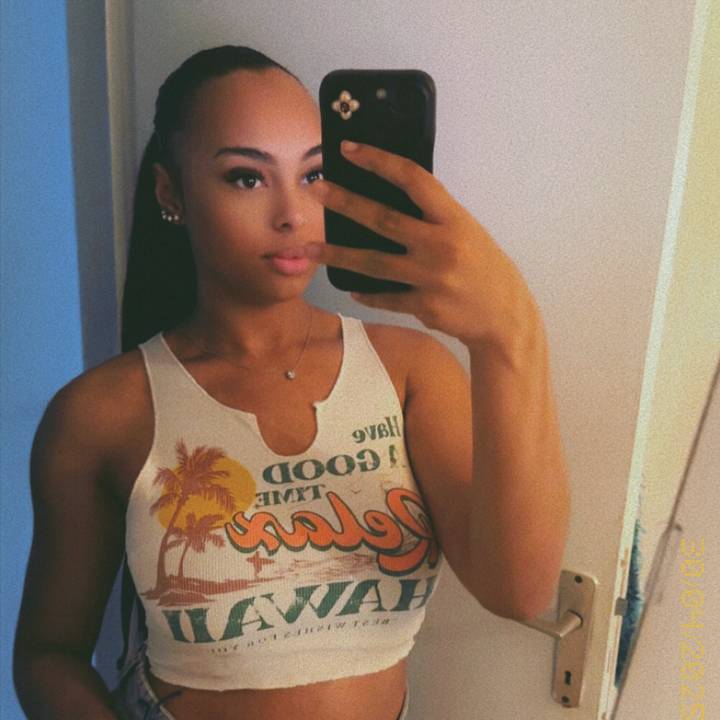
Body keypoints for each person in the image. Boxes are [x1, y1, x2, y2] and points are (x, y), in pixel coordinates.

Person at [13, 45, 570, 720]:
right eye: (247, 178)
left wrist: (510, 334)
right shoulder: (102, 413)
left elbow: (518, 591)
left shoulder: (409, 372)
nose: (292, 215)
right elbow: (48, 653)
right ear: (170, 192)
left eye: (314, 175)